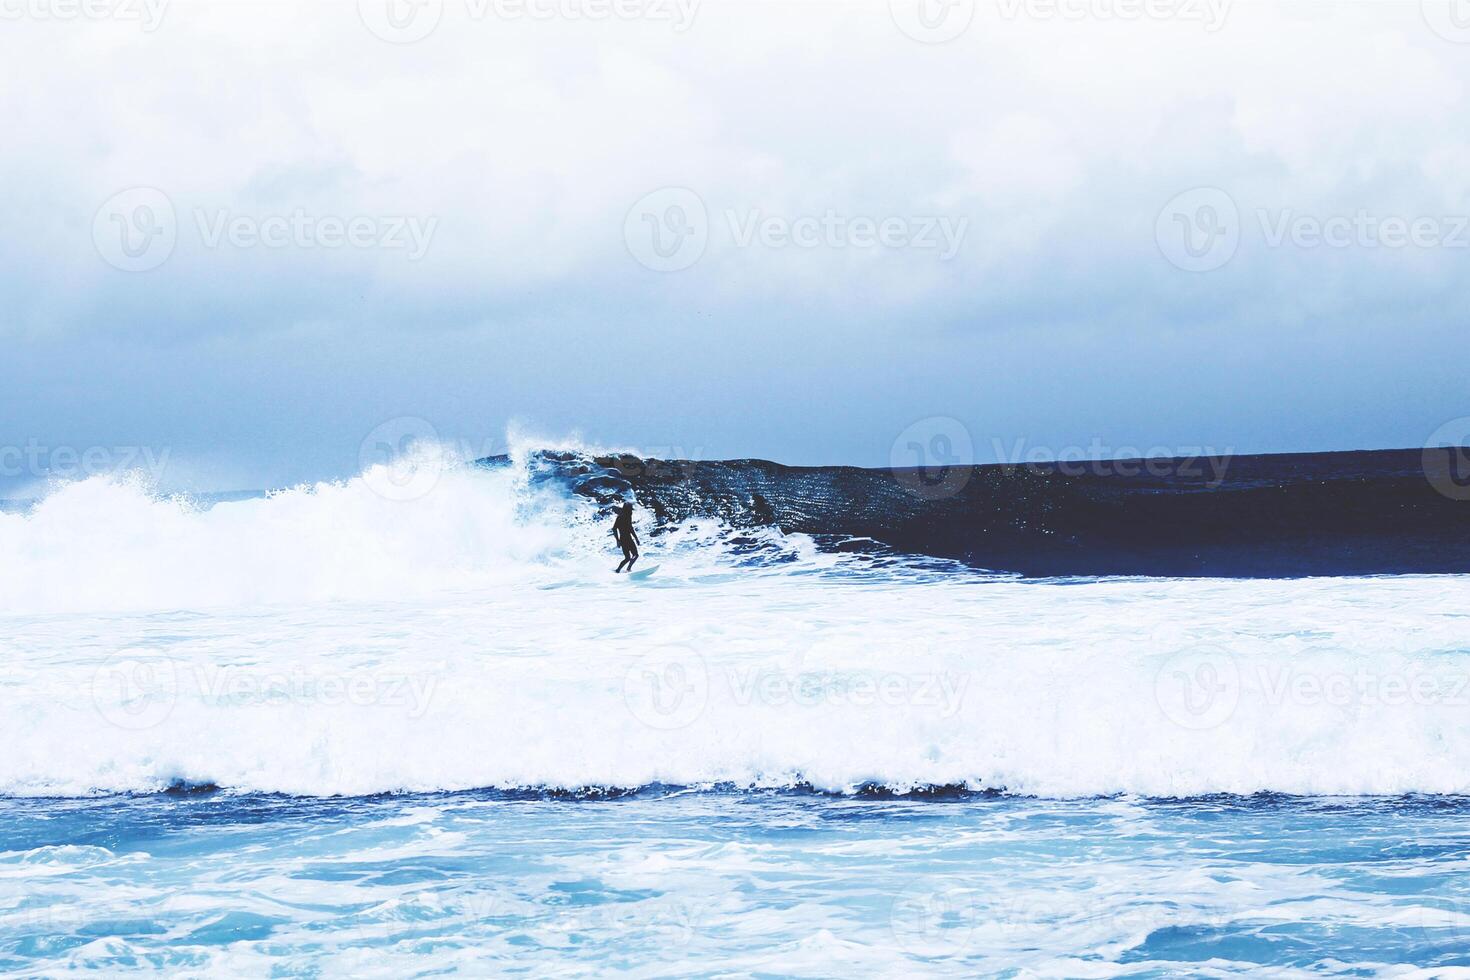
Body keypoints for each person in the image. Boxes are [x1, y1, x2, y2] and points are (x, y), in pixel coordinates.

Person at [611, 501, 640, 573]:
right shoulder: (628, 516)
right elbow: (630, 528)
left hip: (622, 539)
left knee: (627, 558)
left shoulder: (619, 517)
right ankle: (628, 569)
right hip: (628, 539)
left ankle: (618, 570)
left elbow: (614, 529)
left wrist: (617, 540)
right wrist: (636, 538)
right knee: (635, 555)